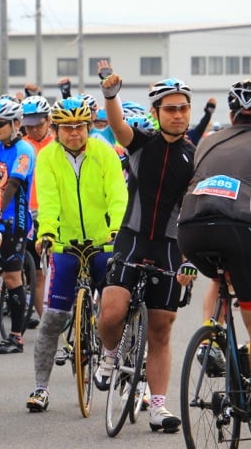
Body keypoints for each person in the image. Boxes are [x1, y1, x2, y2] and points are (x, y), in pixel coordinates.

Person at [95, 60, 197, 433]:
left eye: (184, 107)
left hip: (169, 247)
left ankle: (158, 407)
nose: (178, 114)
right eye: (170, 108)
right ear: (156, 113)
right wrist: (111, 96)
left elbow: (194, 210)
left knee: (161, 330)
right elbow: (117, 125)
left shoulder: (194, 156)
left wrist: (189, 260)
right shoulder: (141, 143)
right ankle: (108, 356)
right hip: (132, 239)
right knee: (111, 312)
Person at [26, 96, 127, 413]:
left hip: (104, 244)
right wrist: (47, 232)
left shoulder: (103, 152)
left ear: (88, 126)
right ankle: (41, 388)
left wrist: (116, 229)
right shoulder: (48, 157)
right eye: (67, 128)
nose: (74, 134)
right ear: (56, 129)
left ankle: (121, 371)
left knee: (117, 313)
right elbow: (49, 200)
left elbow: (117, 194)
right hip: (65, 245)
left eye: (80, 127)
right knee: (53, 318)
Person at [177, 79, 251, 438]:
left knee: (221, 273)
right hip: (238, 229)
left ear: (231, 114)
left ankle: (212, 337)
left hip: (192, 231)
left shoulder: (208, 141)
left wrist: (184, 259)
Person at [0, 98, 36, 354]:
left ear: (16, 124)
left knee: (11, 276)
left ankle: (16, 336)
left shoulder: (25, 150)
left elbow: (13, 185)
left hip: (14, 221)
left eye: (0, 124)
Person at [20, 95, 55, 327]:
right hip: (25, 212)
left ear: (49, 121)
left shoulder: (58, 144)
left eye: (38, 124)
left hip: (50, 212)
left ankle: (51, 321)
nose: (32, 129)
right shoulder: (22, 146)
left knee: (47, 272)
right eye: (28, 125)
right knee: (31, 273)